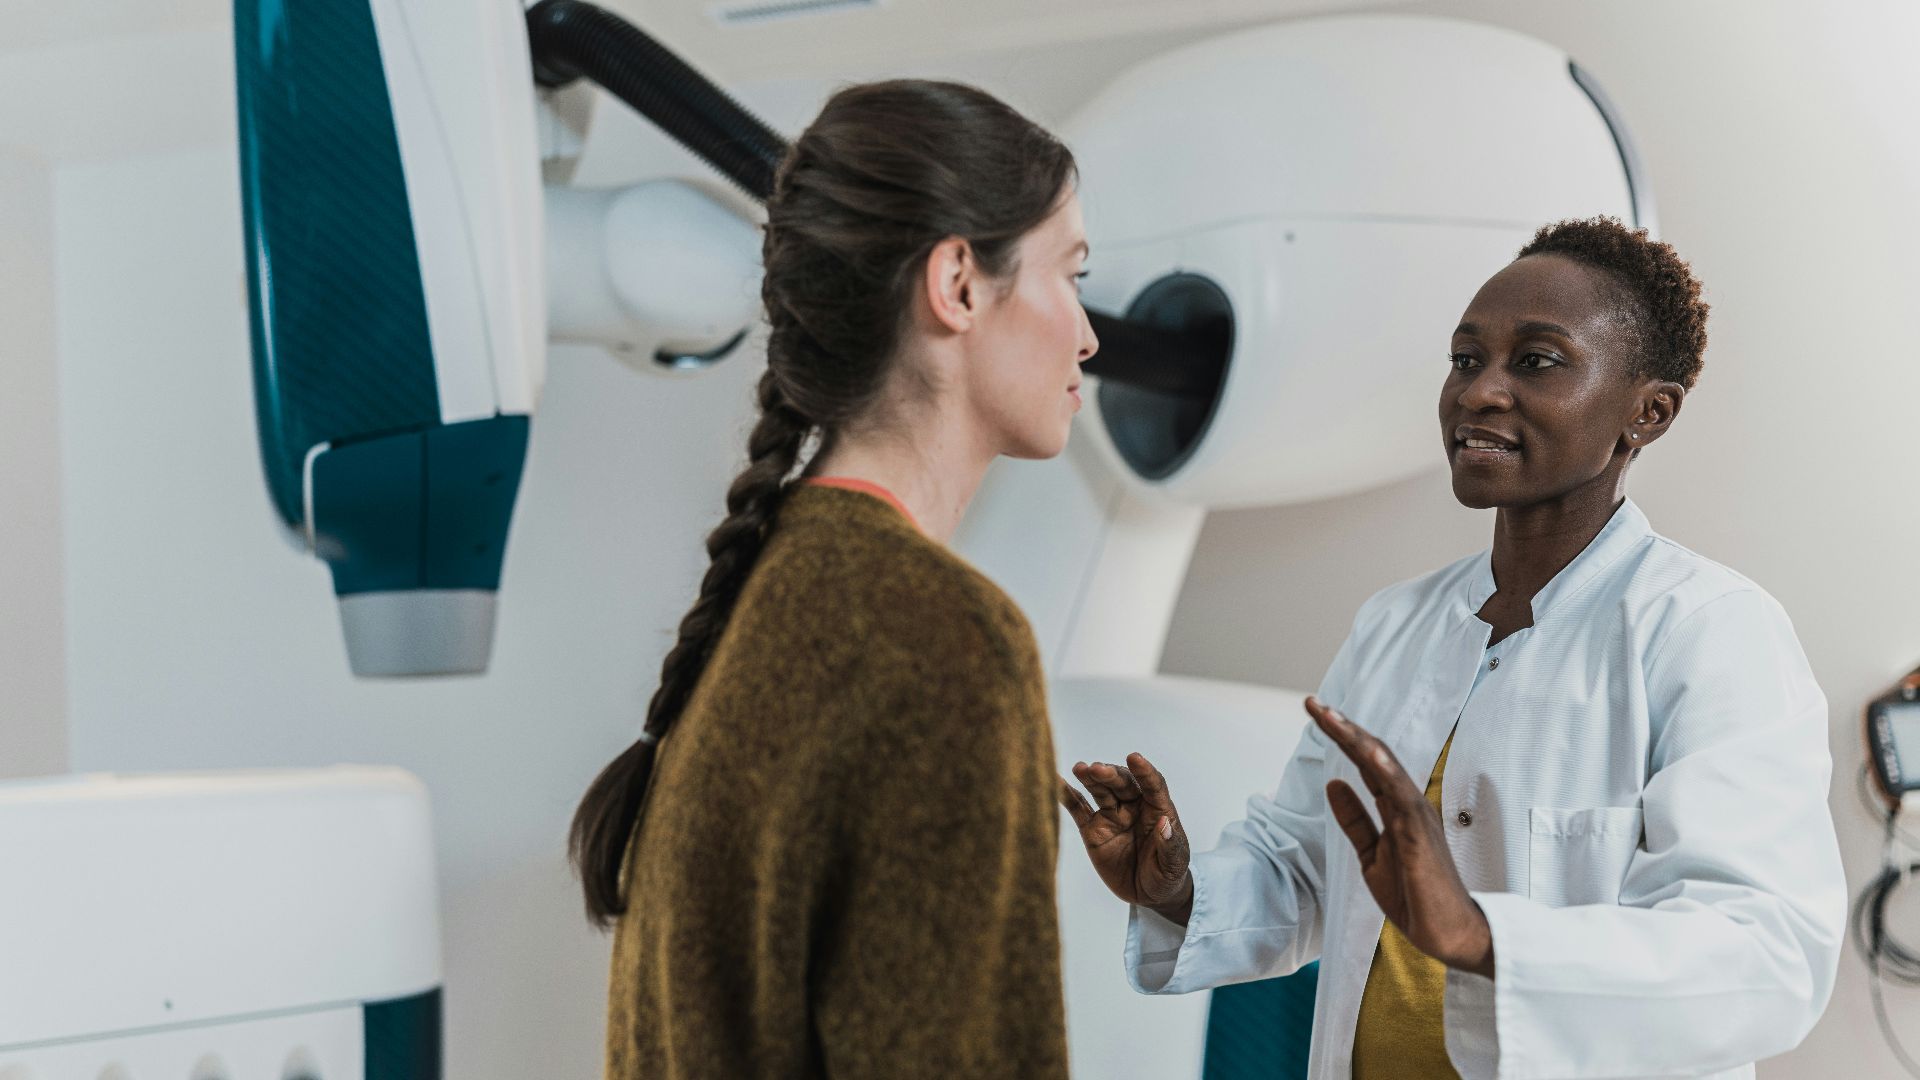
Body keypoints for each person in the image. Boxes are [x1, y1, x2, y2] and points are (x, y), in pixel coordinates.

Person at [1062, 218, 1845, 1079]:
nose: (1478, 393)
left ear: (1647, 413)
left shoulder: (1709, 630)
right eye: (1466, 359)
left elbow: (1765, 956)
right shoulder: (1394, 623)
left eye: (1536, 361)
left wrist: (1482, 936)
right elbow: (1307, 869)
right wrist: (1177, 889)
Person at [572, 79, 1097, 1079]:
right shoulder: (943, 638)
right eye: (1069, 274)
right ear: (958, 284)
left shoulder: (765, 592)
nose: (1088, 333)